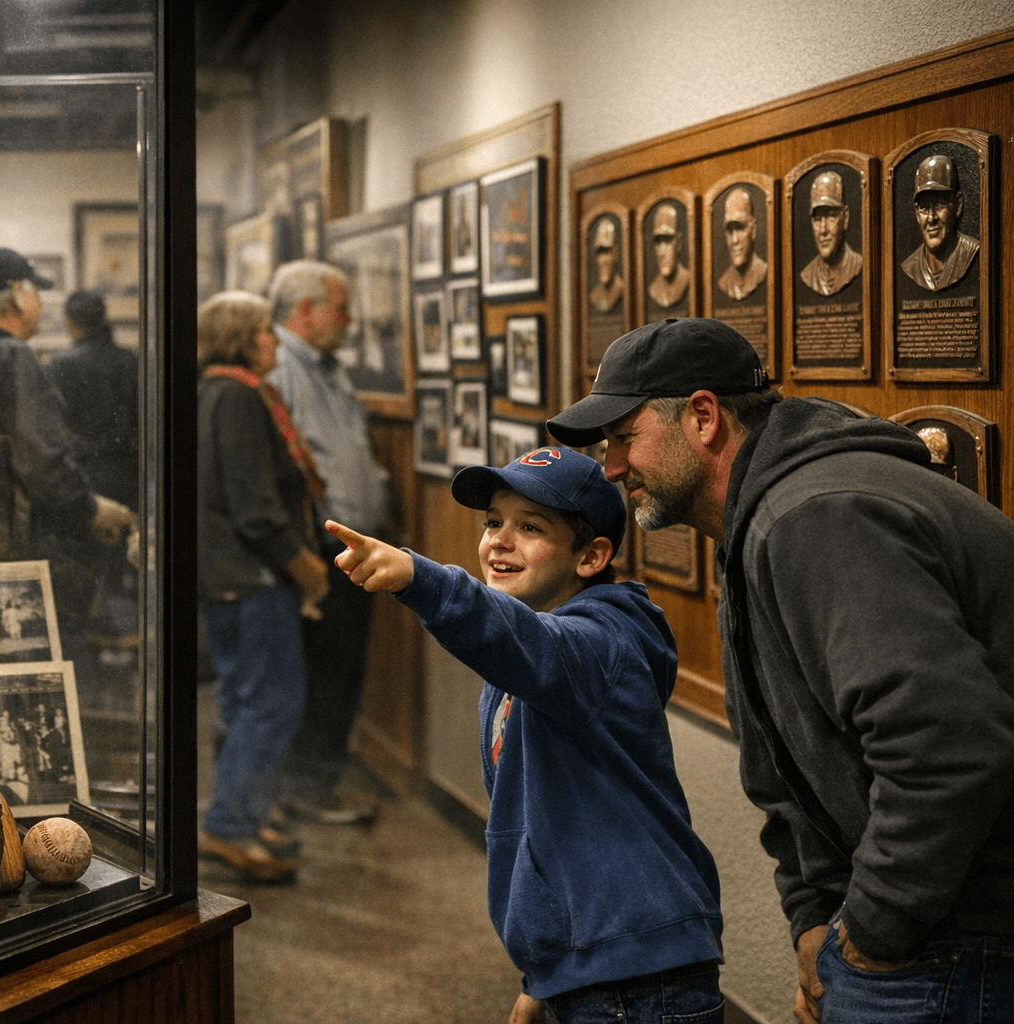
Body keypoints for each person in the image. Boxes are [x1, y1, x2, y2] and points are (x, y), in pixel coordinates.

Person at [546, 316, 1014, 1024]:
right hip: (926, 923)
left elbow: (947, 748)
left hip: (959, 933)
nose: (610, 467)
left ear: (702, 417)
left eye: (622, 439)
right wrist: (816, 918)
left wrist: (870, 935)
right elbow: (789, 765)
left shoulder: (816, 515)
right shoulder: (762, 517)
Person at [326, 447, 723, 1023]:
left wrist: (422, 579)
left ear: (591, 557)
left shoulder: (601, 645)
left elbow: (534, 649)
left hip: (637, 978)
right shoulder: (530, 643)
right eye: (493, 522)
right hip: (590, 962)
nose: (498, 541)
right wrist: (546, 975)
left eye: (530, 527)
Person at [0, 248, 134, 706]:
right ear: (20, 297)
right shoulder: (10, 356)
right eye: (35, 292)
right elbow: (42, 464)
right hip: (16, 561)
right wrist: (91, 509)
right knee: (52, 695)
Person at [197, 290, 329, 883]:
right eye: (265, 332)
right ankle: (230, 827)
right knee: (272, 704)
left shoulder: (214, 390)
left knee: (243, 700)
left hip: (227, 577)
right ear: (244, 339)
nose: (274, 341)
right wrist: (305, 565)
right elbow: (254, 508)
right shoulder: (239, 396)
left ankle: (242, 811)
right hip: (252, 577)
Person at [264, 260, 392, 825]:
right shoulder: (280, 367)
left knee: (341, 669)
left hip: (354, 548)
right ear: (306, 310)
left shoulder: (330, 370)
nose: (351, 318)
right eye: (342, 306)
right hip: (318, 548)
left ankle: (313, 784)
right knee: (322, 672)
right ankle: (305, 791)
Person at [46, 290, 140, 510]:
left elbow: (54, 428)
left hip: (81, 475)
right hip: (128, 473)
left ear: (70, 322)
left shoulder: (60, 365)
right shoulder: (129, 360)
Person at [899, 153, 980, 292]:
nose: (931, 218)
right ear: (917, 213)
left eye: (940, 204)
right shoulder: (910, 266)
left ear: (958, 205)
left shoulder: (973, 252)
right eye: (924, 208)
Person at [799, 170, 863, 297]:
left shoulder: (858, 265)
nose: (823, 230)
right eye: (817, 219)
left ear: (845, 217)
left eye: (831, 217)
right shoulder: (808, 274)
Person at [715, 187, 767, 301]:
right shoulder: (724, 282)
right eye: (730, 231)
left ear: (753, 230)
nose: (734, 240)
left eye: (740, 228)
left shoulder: (764, 272)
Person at [646, 201, 690, 309]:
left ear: (679, 243)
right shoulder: (653, 289)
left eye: (667, 241)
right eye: (658, 243)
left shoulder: (688, 280)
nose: (661, 253)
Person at [587, 217, 624, 313]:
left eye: (607, 252)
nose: (603, 261)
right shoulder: (594, 296)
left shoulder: (622, 290)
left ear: (616, 253)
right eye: (600, 253)